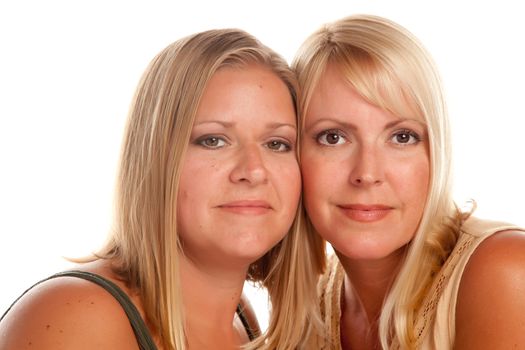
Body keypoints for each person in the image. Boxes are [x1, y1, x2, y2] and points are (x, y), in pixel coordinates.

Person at [0, 29, 319, 350]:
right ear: (155, 159)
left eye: (277, 143)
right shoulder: (78, 318)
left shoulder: (241, 319)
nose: (253, 170)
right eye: (213, 140)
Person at [293, 14, 525, 349]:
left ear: (436, 151)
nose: (368, 173)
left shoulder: (504, 271)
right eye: (333, 137)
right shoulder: (309, 307)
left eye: (402, 137)